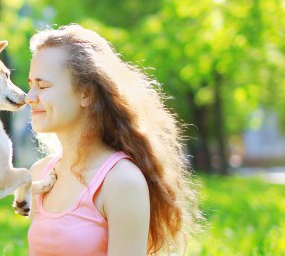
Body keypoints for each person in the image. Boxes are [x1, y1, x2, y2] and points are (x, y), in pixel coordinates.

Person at [25, 24, 200, 255]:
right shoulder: (40, 175)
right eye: (30, 86)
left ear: (86, 94)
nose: (29, 98)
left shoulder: (121, 181)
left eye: (43, 86)